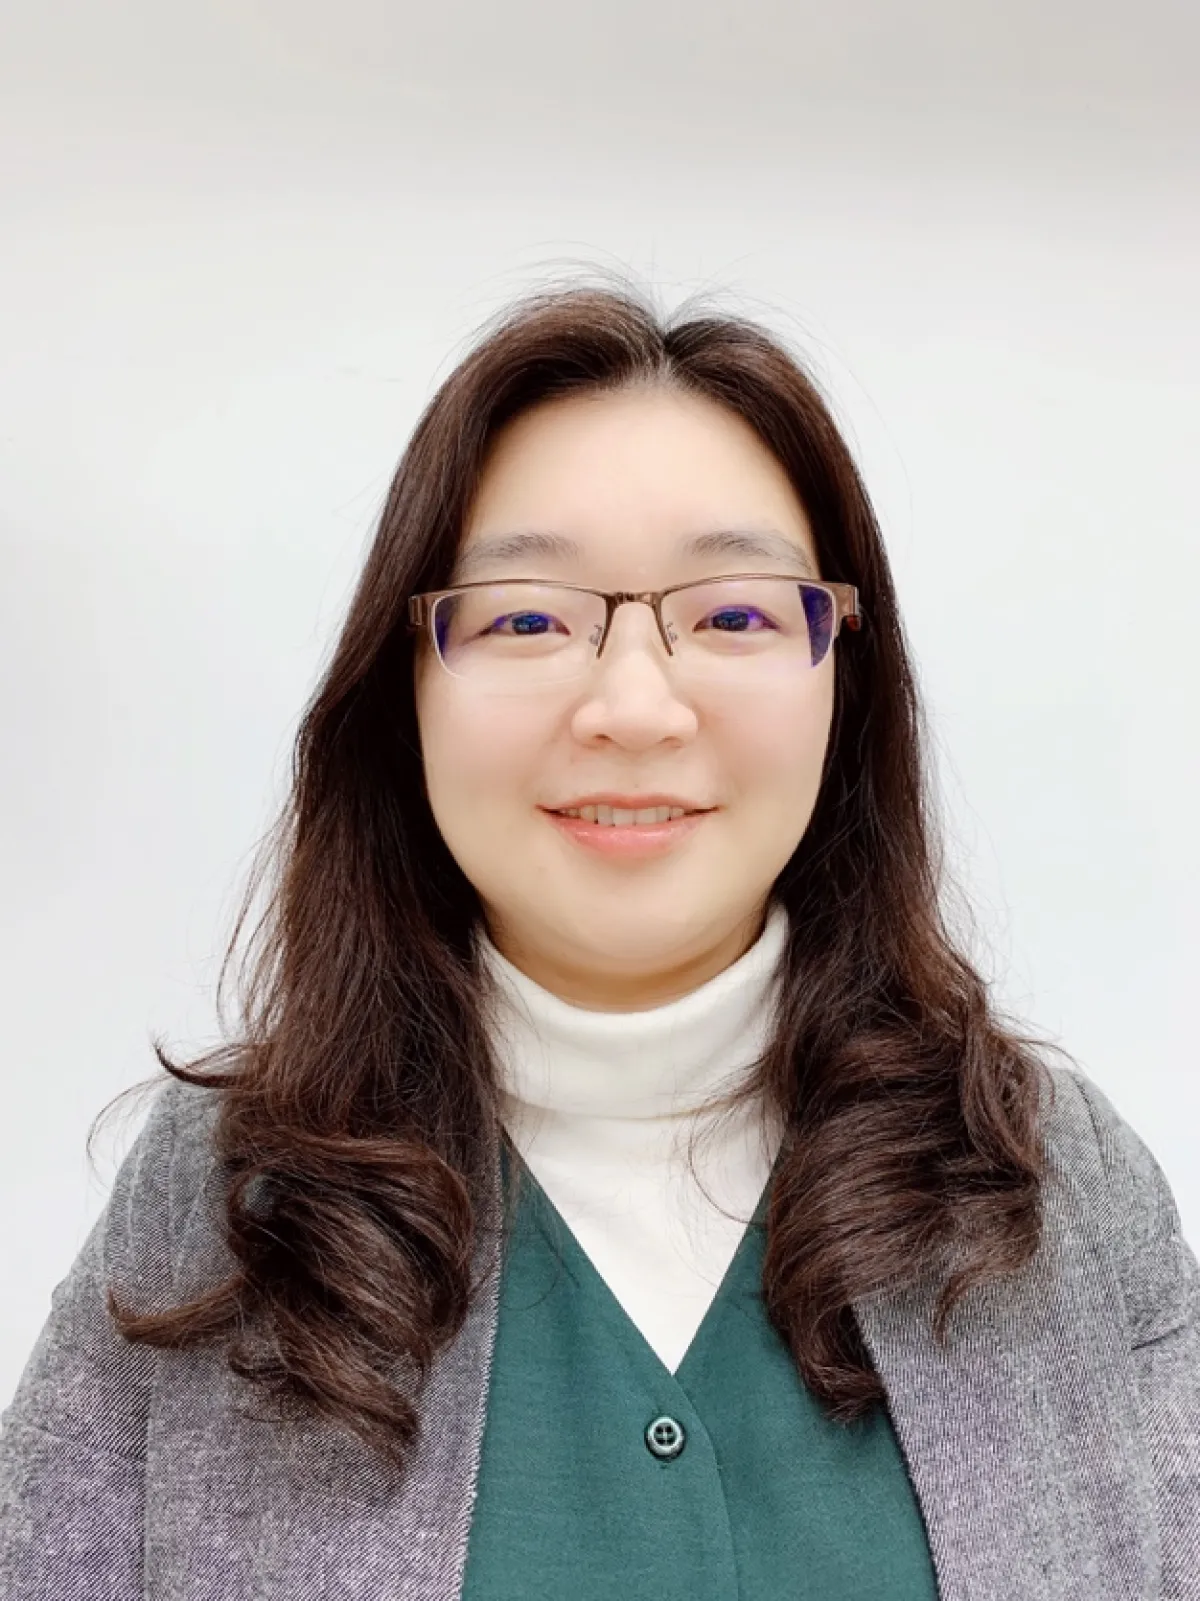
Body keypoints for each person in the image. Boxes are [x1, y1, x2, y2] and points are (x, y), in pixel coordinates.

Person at [1, 285, 1196, 1601]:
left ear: (845, 685)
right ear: (402, 698)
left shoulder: (1061, 1189)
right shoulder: (220, 1211)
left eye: (734, 615)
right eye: (526, 618)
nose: (634, 705)